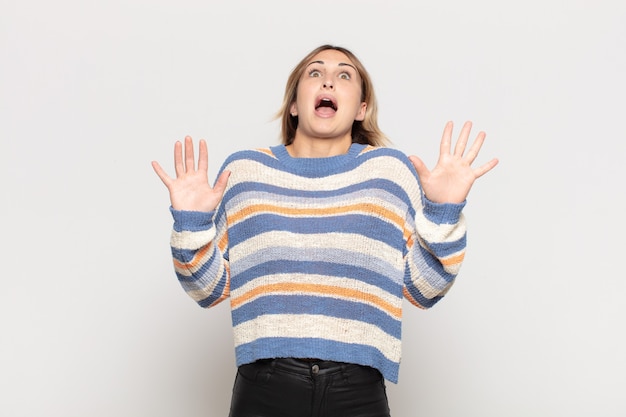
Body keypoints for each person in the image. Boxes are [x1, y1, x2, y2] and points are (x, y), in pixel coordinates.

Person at [152, 44, 498, 417]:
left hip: (358, 390)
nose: (329, 81)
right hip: (264, 387)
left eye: (344, 75)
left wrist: (444, 211)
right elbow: (208, 289)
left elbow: (423, 289)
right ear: (295, 104)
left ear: (362, 108)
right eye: (315, 73)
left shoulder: (389, 173)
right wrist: (192, 222)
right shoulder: (245, 172)